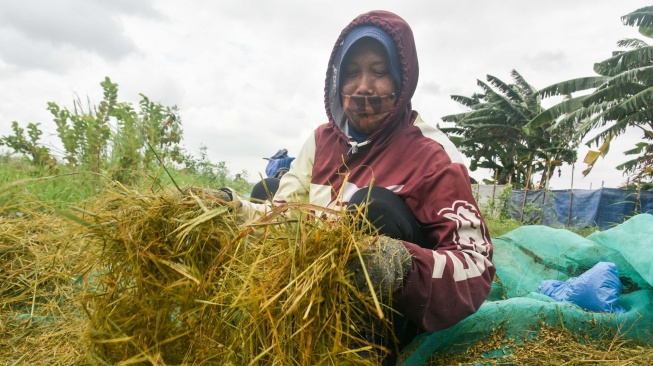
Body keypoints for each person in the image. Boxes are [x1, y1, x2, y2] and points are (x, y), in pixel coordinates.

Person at [224, 10, 495, 362]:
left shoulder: (431, 155)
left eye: (380, 72)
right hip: (319, 297)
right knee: (265, 190)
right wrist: (231, 206)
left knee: (373, 205)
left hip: (394, 310)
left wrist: (404, 266)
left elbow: (476, 264)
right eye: (351, 73)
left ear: (402, 79)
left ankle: (367, 354)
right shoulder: (323, 140)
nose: (364, 86)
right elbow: (281, 212)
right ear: (337, 80)